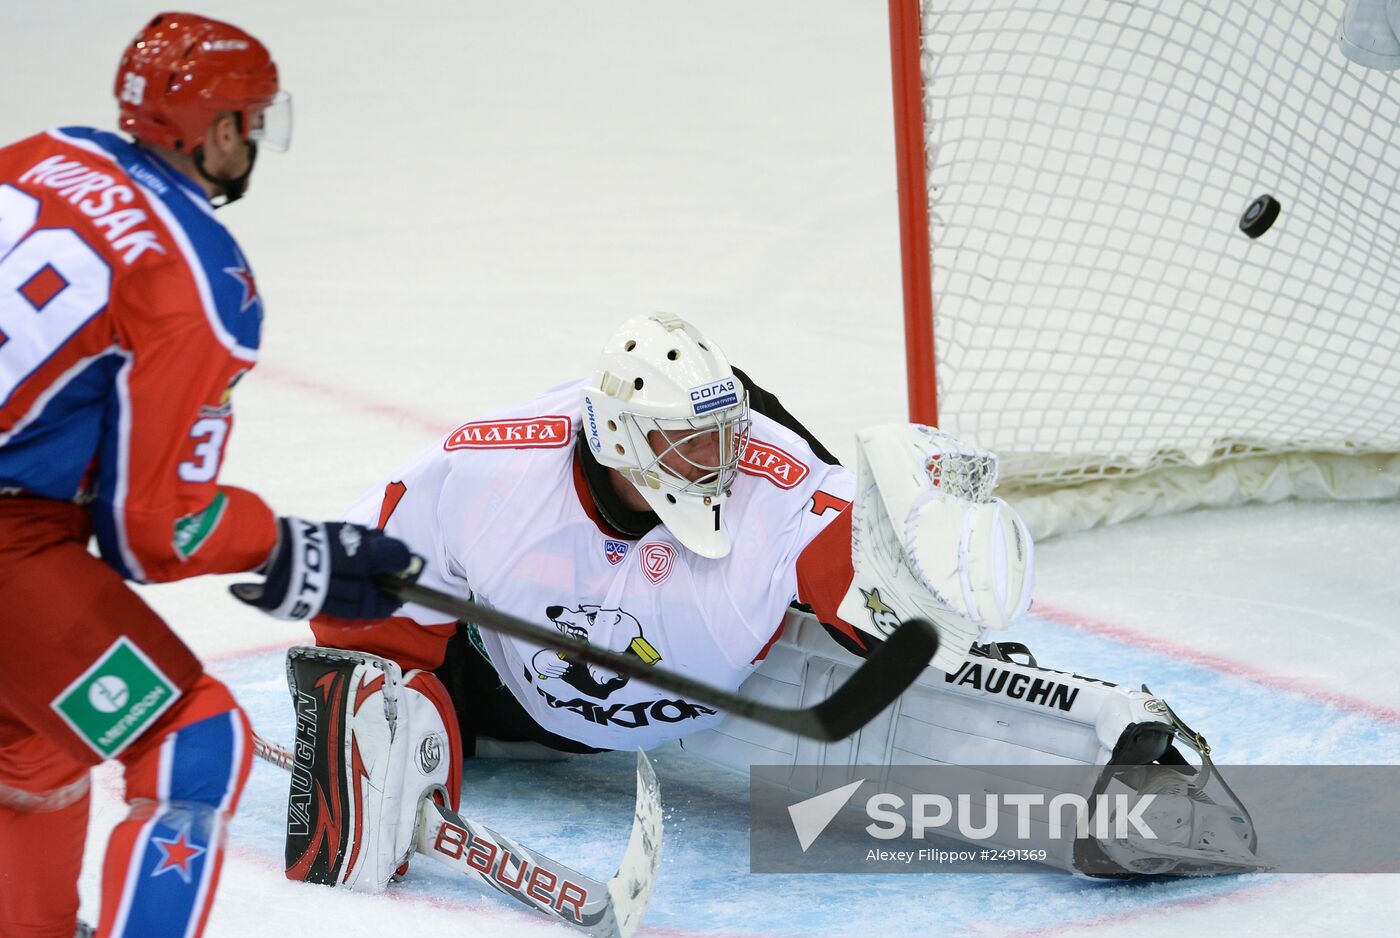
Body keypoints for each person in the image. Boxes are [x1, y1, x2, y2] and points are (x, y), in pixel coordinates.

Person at [285, 312, 1261, 892]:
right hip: (510, 693)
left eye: (721, 437)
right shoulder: (487, 468)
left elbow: (855, 568)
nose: (711, 464)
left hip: (715, 681)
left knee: (907, 697)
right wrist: (395, 721)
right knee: (369, 686)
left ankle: (1114, 772)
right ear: (619, 440)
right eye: (681, 446)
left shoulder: (770, 478)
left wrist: (916, 585)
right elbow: (370, 599)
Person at [0, 14, 417, 938]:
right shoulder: (194, 270)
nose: (256, 140)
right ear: (218, 129)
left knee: (37, 734)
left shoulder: (37, 154)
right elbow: (151, 527)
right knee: (194, 742)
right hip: (8, 545)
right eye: (252, 120)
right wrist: (290, 552)